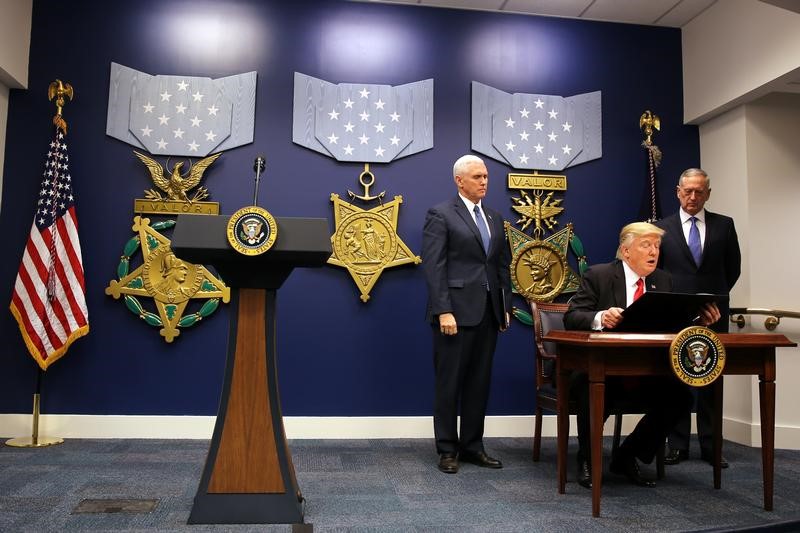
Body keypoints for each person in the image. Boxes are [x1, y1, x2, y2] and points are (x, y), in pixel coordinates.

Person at [564, 222, 720, 489]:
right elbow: (572, 317)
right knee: (589, 387)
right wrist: (601, 317)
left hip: (646, 371)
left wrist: (699, 322)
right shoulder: (598, 275)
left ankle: (627, 456)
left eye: (657, 246)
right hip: (602, 368)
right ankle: (587, 459)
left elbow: (671, 326)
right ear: (626, 251)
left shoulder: (663, 280)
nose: (654, 252)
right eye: (646, 245)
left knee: (680, 397)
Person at [422, 154, 511, 474]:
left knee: (479, 383)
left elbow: (501, 266)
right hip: (454, 317)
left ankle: (473, 446)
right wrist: (444, 310)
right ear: (459, 180)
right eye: (477, 177)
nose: (484, 182)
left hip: (487, 313)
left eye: (486, 176)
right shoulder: (441, 214)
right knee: (450, 384)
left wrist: (503, 309)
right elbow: (434, 268)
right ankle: (447, 449)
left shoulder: (495, 216)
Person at [655, 168, 741, 469]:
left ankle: (711, 445)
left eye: (699, 191)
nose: (693, 197)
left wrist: (712, 302)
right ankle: (676, 444)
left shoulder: (724, 226)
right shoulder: (661, 228)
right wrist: (681, 306)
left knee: (711, 380)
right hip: (674, 314)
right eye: (688, 191)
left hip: (714, 314)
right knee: (675, 379)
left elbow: (733, 269)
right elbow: (656, 273)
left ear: (708, 193)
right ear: (678, 191)